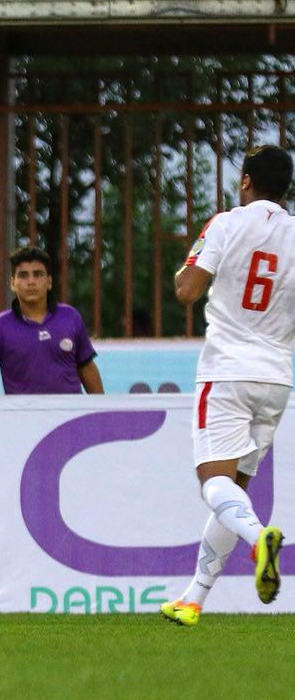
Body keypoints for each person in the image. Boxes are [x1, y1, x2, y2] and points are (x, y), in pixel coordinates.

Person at [161, 145, 291, 626]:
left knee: (214, 483)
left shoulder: (227, 223)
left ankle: (260, 540)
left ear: (246, 181)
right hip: (276, 379)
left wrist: (185, 270)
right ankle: (194, 599)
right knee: (234, 490)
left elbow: (188, 290)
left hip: (226, 372)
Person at [0, 247, 104, 395]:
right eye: (23, 275)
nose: (31, 281)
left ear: (49, 282)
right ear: (13, 283)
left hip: (69, 416)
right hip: (21, 417)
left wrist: (102, 412)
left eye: (38, 274)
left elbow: (86, 367)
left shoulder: (70, 317)